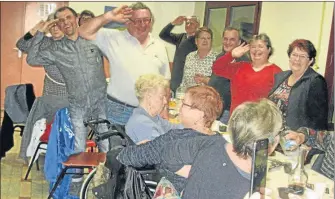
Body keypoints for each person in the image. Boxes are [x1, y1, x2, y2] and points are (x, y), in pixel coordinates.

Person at [118, 99, 282, 199]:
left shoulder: (211, 143)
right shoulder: (249, 187)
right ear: (272, 144)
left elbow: (163, 152)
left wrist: (191, 170)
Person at [26, 6, 130, 154]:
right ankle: (77, 178)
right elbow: (32, 59)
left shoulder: (93, 40)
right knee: (78, 149)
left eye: (68, 17)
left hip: (101, 102)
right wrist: (41, 32)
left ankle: (104, 176)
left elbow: (117, 53)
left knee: (106, 146)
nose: (65, 22)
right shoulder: (56, 49)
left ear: (76, 18)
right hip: (78, 105)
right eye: (61, 20)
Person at [117, 85, 223, 193]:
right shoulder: (219, 143)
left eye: (184, 103)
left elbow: (128, 157)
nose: (179, 105)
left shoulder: (176, 139)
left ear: (199, 114)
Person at [79, 2, 170, 125]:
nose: (143, 24)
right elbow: (83, 31)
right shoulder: (113, 38)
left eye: (146, 20)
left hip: (149, 112)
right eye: (138, 21)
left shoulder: (159, 46)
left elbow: (165, 82)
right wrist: (109, 16)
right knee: (117, 145)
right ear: (127, 22)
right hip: (119, 111)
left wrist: (165, 108)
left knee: (146, 145)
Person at [16, 14, 69, 161]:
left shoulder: (71, 44)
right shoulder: (44, 42)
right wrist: (35, 30)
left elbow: (32, 59)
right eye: (52, 26)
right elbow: (21, 44)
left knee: (61, 124)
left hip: (67, 97)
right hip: (49, 94)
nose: (55, 28)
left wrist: (40, 35)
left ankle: (58, 151)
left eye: (58, 25)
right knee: (42, 122)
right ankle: (42, 149)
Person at [212, 33, 282, 113]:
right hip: (236, 119)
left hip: (259, 122)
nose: (256, 50)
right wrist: (231, 55)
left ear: (268, 50)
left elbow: (278, 102)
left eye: (260, 46)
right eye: (253, 47)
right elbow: (216, 68)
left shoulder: (276, 72)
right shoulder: (240, 67)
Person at [268, 39, 328, 131]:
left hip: (296, 138)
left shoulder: (316, 81)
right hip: (273, 132)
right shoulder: (280, 77)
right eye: (294, 55)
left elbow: (318, 120)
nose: (297, 59)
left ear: (310, 60)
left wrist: (305, 138)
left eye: (302, 56)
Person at [208, 27, 250, 124]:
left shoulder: (244, 62)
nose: (227, 42)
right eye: (225, 39)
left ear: (239, 42)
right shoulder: (220, 57)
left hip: (227, 111)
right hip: (213, 106)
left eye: (232, 40)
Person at [126, 74, 183, 144]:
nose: (165, 101)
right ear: (149, 97)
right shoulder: (142, 123)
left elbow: (174, 128)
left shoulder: (154, 117)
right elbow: (161, 150)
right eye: (161, 97)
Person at [159, 16, 199, 94]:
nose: (188, 25)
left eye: (191, 23)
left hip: (190, 79)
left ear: (197, 25)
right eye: (187, 23)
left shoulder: (199, 40)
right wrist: (173, 23)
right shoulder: (181, 37)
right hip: (176, 78)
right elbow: (163, 35)